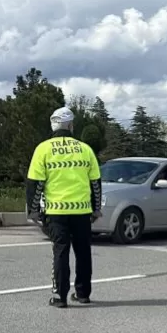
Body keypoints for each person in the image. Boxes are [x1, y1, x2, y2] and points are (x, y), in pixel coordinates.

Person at [26, 106, 103, 308]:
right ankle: (83, 293)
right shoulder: (85, 150)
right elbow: (95, 182)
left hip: (56, 211)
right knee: (83, 252)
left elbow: (35, 183)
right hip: (81, 211)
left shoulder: (43, 149)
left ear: (53, 125)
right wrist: (96, 208)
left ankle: (60, 296)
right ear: (70, 126)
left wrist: (33, 210)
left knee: (60, 252)